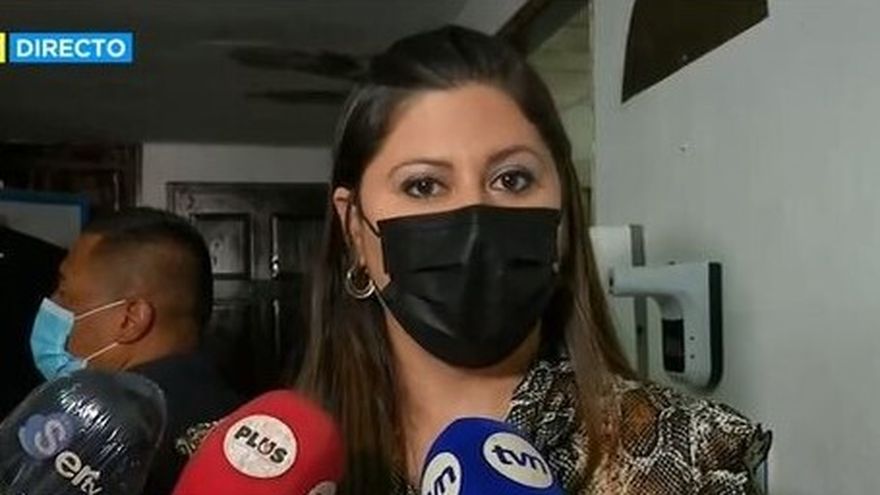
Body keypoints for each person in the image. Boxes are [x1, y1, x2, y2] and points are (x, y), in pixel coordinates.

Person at [295, 26, 772, 494]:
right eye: (423, 185)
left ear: (563, 214)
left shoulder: (692, 461)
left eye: (512, 179)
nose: (474, 227)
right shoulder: (276, 464)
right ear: (354, 227)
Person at [29, 207, 242, 494]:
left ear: (130, 320)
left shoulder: (98, 427)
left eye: (65, 294)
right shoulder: (241, 419)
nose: (53, 305)